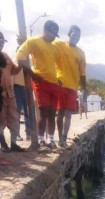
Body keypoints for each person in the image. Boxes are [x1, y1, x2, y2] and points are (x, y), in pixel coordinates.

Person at [16, 20, 60, 149]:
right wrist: (32, 74)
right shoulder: (33, 41)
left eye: (55, 35)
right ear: (45, 30)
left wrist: (60, 78)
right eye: (52, 34)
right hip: (41, 82)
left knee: (53, 113)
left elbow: (57, 64)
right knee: (43, 112)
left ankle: (51, 139)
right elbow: (20, 56)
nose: (53, 37)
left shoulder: (54, 47)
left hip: (54, 83)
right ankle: (41, 139)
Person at [54, 25, 87, 147]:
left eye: (78, 36)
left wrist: (85, 88)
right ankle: (59, 137)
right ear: (69, 34)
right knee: (60, 113)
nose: (76, 38)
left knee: (68, 114)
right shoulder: (59, 45)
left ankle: (64, 137)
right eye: (74, 35)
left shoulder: (81, 53)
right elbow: (47, 50)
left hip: (73, 87)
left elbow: (82, 73)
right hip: (60, 85)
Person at [0, 31, 25, 152]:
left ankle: (14, 143)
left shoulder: (5, 56)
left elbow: (14, 71)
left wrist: (21, 62)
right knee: (1, 118)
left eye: (1, 42)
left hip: (10, 93)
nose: (1, 44)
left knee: (14, 117)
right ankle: (3, 143)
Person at [13, 35, 31, 141]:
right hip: (17, 88)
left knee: (28, 111)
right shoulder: (15, 63)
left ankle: (28, 133)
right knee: (17, 112)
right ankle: (17, 134)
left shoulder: (26, 63)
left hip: (26, 88)